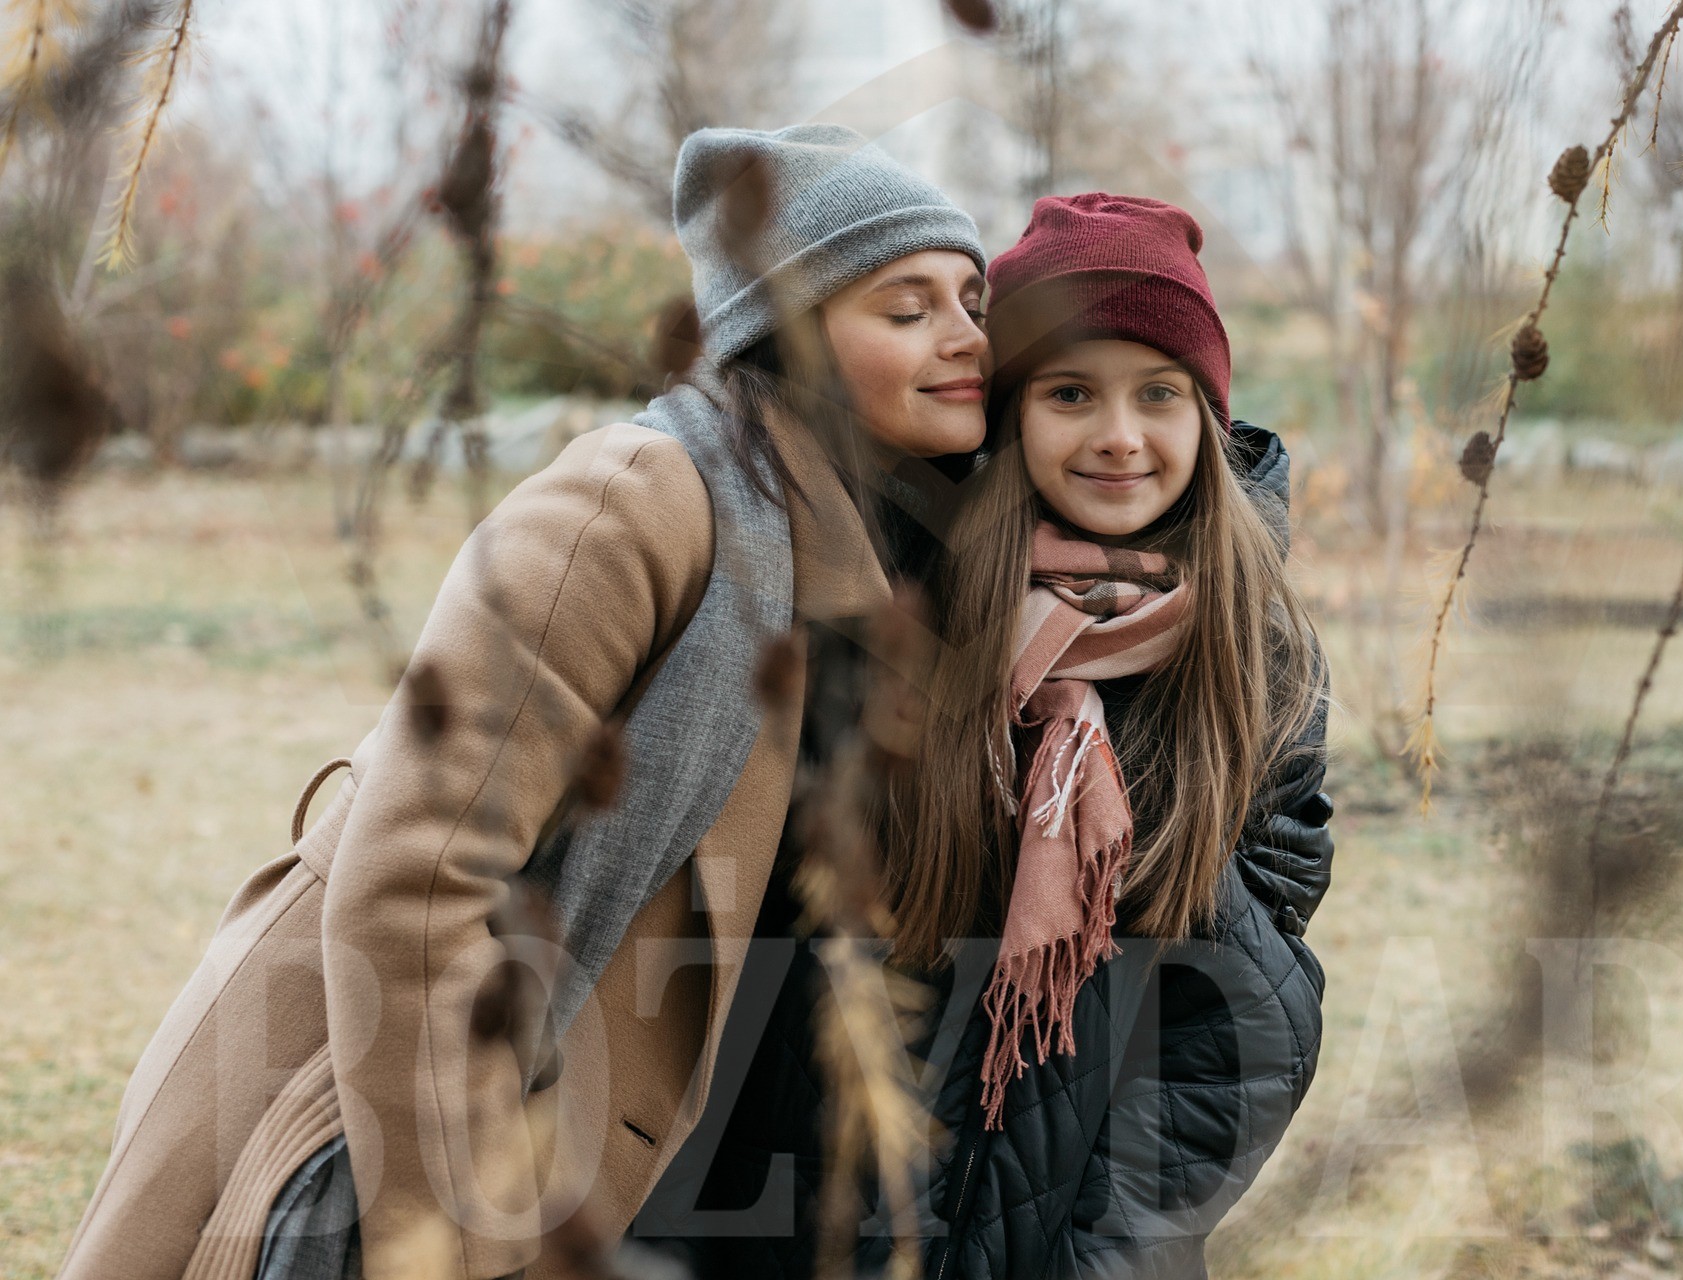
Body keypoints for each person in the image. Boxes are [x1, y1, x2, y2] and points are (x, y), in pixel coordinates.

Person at [55, 123, 991, 1280]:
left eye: (974, 300)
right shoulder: (641, 498)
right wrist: (469, 1232)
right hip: (358, 1100)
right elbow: (419, 873)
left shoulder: (859, 556)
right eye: (908, 309)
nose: (966, 338)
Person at [632, 192, 1335, 1280]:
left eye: (1159, 393)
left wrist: (1105, 1251)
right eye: (1068, 392)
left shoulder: (1259, 657)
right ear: (1009, 414)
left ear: (1206, 414)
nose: (1118, 435)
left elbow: (1243, 1024)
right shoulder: (902, 602)